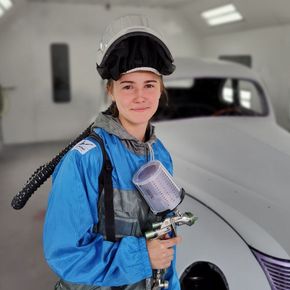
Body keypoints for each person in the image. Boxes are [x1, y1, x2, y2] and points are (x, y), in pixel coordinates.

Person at [43, 14, 182, 290]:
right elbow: (64, 254)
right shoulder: (85, 159)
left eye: (149, 85)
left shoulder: (160, 155)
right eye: (128, 86)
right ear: (111, 90)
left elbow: (164, 243)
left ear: (161, 89)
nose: (140, 96)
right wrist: (144, 256)